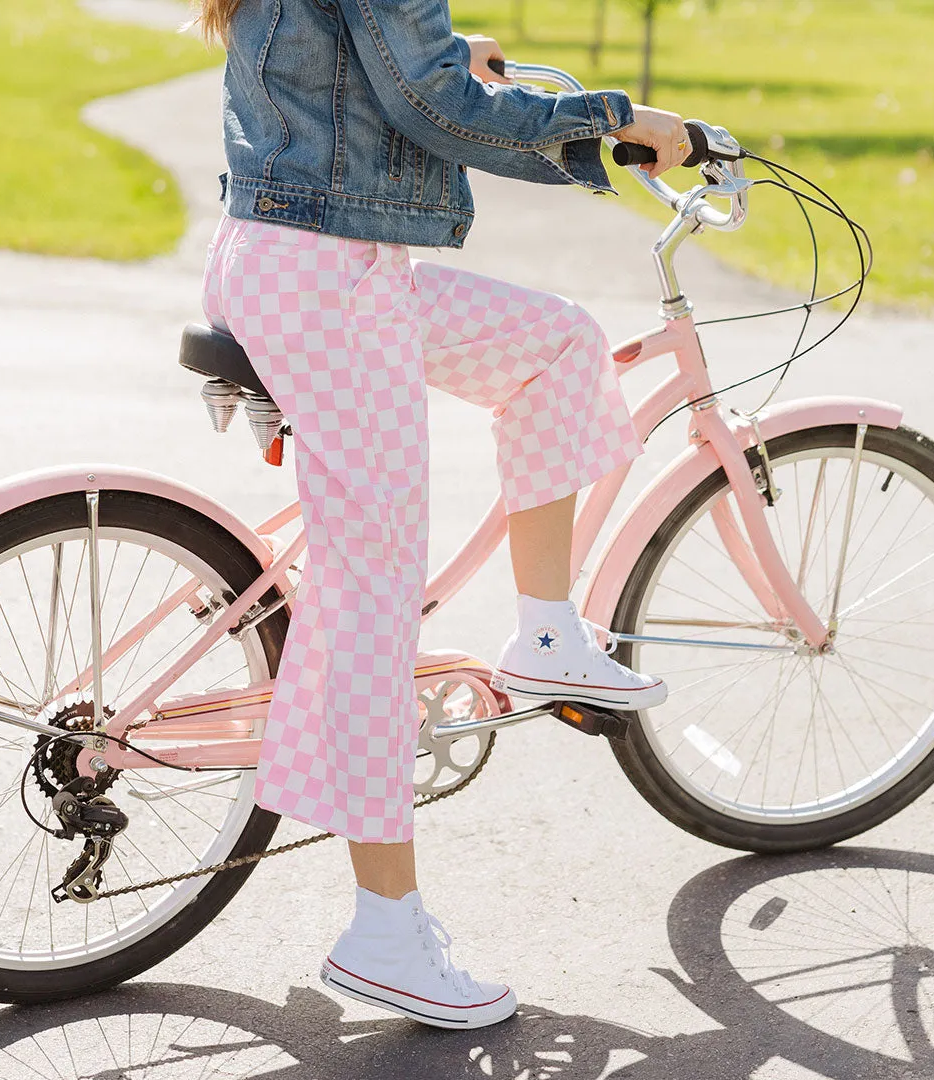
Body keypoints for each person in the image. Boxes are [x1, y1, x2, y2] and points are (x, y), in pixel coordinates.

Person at [195, 0, 689, 1030]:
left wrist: (446, 53)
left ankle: (546, 631)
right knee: (372, 589)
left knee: (557, 346)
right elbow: (431, 107)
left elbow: (351, 57)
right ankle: (385, 931)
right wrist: (617, 119)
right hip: (325, 279)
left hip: (320, 261)